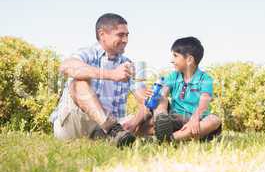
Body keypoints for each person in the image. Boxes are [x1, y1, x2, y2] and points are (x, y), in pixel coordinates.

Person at [49, 13, 148, 147]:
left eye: (127, 35)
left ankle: (170, 135)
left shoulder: (128, 64)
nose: (125, 40)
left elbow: (144, 99)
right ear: (102, 34)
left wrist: (135, 121)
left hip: (109, 129)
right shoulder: (88, 53)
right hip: (75, 124)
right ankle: (112, 128)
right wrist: (112, 74)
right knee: (79, 82)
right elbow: (66, 67)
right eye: (120, 35)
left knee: (151, 114)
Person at [128, 37, 222, 142]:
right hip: (173, 119)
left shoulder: (205, 79)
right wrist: (155, 95)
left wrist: (194, 119)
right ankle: (161, 122)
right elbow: (163, 94)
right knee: (160, 98)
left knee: (214, 120)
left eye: (175, 56)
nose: (171, 60)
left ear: (189, 60)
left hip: (196, 121)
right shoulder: (173, 76)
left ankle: (170, 139)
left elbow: (203, 105)